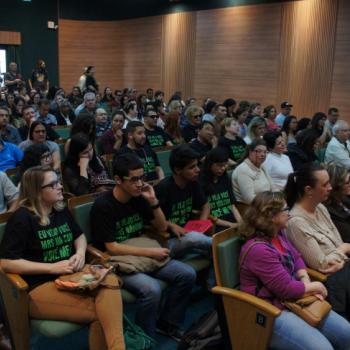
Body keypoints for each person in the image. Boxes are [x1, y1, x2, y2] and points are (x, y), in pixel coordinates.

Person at [0, 165, 125, 350]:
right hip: (38, 286)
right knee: (103, 313)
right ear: (37, 191)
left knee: (111, 281)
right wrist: (52, 268)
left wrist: (80, 253)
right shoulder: (22, 218)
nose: (60, 186)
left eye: (58, 180)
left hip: (72, 275)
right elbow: (7, 263)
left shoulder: (59, 209)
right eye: (53, 184)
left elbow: (79, 236)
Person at [91, 153, 195, 339]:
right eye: (134, 179)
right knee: (151, 290)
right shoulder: (103, 205)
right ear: (118, 180)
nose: (140, 184)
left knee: (187, 274)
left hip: (141, 253)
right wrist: (150, 252)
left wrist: (153, 202)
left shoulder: (138, 197)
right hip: (115, 261)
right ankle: (144, 337)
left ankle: (167, 324)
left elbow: (162, 228)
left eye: (142, 178)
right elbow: (112, 247)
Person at [240, 190, 350, 350]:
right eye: (285, 210)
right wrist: (316, 287)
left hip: (294, 298)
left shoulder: (278, 233)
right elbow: (285, 289)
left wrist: (305, 279)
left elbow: (297, 257)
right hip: (270, 309)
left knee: (346, 333)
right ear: (271, 216)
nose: (289, 213)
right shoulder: (258, 249)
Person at [286, 163, 350, 320]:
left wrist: (341, 254)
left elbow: (338, 242)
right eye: (325, 184)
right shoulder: (296, 223)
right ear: (309, 190)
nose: (330, 188)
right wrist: (343, 251)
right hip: (331, 284)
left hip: (344, 269)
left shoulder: (320, 207)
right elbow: (322, 265)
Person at [155, 145, 212, 259]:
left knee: (210, 253)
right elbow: (152, 221)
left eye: (197, 165)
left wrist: (201, 224)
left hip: (190, 234)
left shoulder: (193, 182)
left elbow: (205, 205)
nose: (198, 170)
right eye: (192, 167)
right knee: (208, 243)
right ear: (177, 170)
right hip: (168, 240)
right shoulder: (163, 188)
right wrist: (171, 225)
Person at [200, 148, 241, 232]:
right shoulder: (200, 182)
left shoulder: (226, 179)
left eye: (225, 165)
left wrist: (240, 222)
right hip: (215, 225)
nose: (223, 168)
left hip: (232, 221)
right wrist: (230, 224)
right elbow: (204, 213)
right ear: (209, 164)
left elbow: (232, 206)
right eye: (219, 165)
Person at [232, 139, 275, 204]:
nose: (263, 154)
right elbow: (250, 199)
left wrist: (278, 198)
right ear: (250, 152)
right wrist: (271, 202)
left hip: (266, 203)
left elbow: (273, 187)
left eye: (265, 152)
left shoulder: (262, 166)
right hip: (250, 208)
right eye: (258, 151)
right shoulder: (243, 169)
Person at [324, 164, 350, 243]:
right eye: (348, 182)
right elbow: (347, 236)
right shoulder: (330, 210)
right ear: (336, 185)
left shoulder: (343, 199)